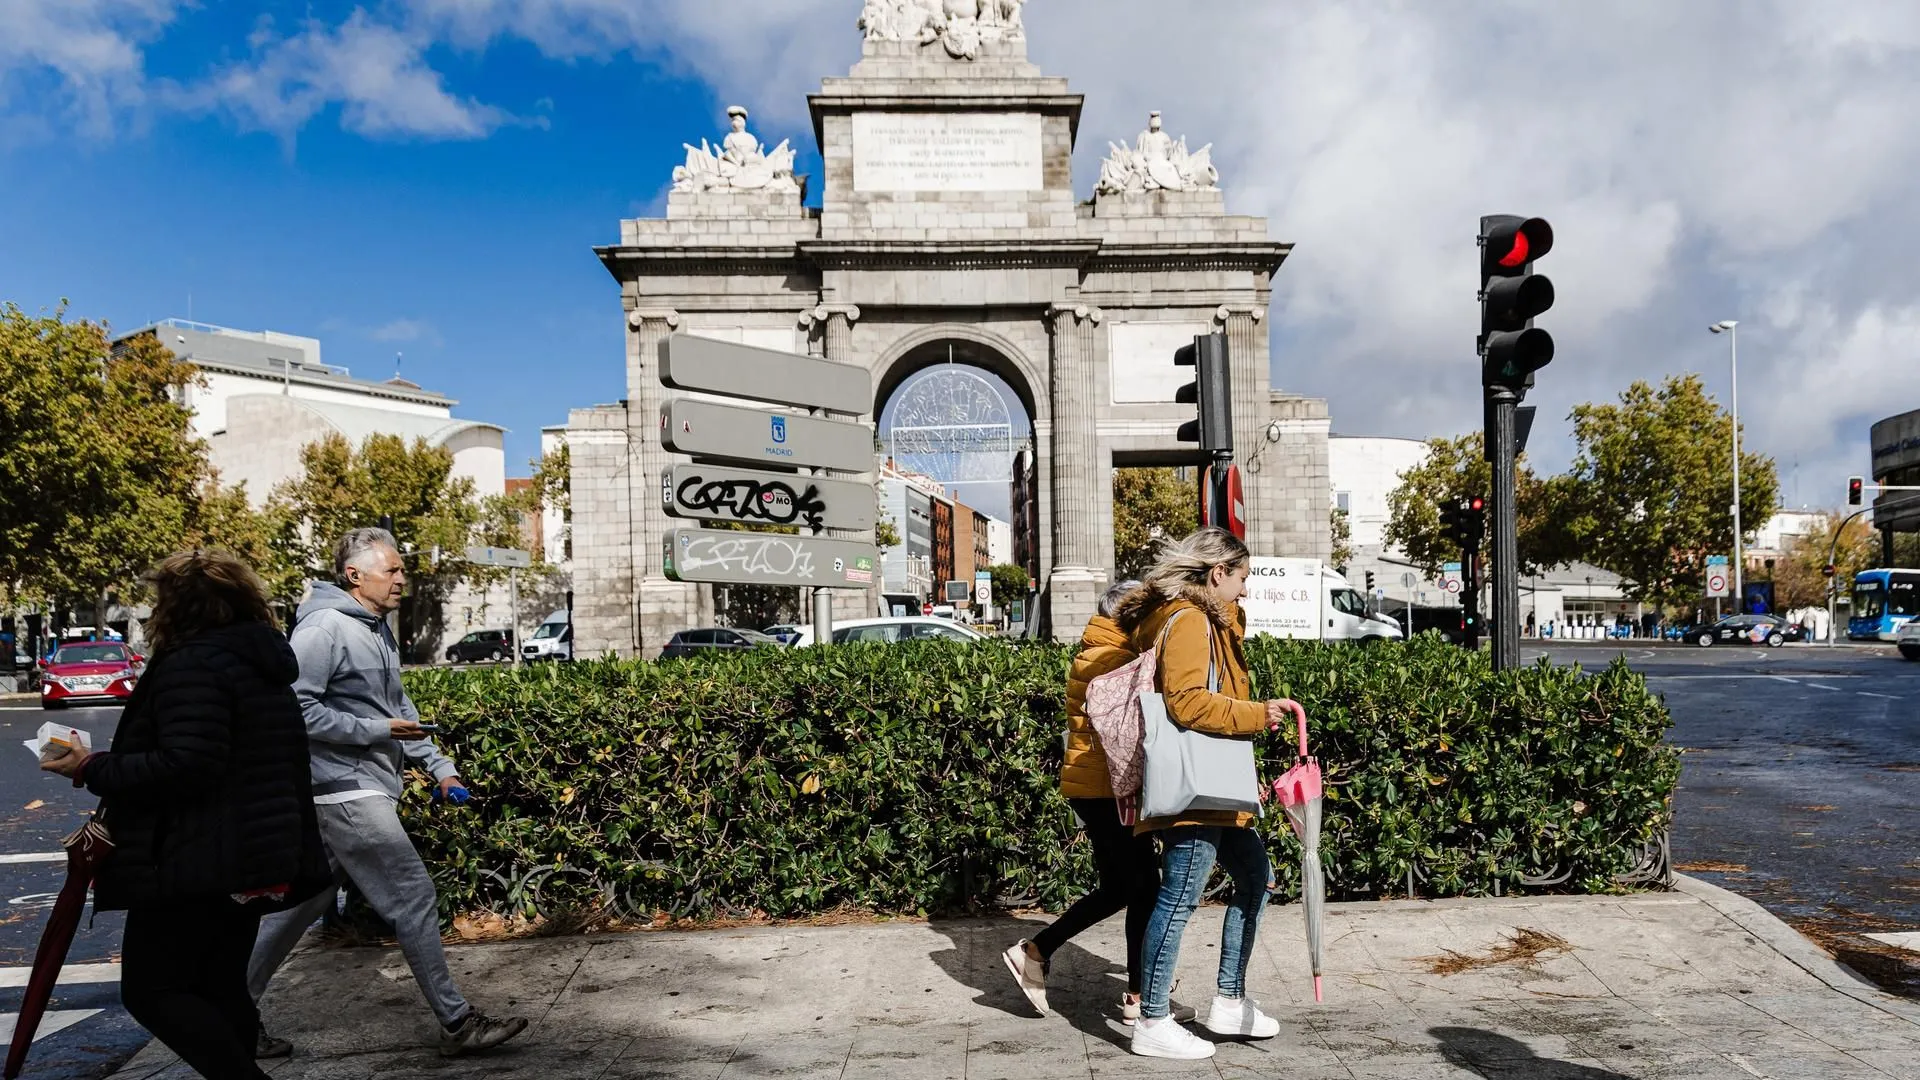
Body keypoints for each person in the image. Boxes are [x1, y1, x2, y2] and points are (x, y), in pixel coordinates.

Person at [41, 549, 329, 1080]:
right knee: (219, 985)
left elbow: (186, 765)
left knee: (152, 991)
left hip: (196, 858)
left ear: (176, 607)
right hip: (258, 852)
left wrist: (92, 767)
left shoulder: (192, 665)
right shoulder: (261, 663)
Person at [246, 528, 527, 1057]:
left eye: (401, 569)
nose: (402, 578)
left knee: (299, 909)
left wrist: (440, 768)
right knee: (413, 896)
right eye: (392, 570)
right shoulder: (323, 628)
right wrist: (374, 733)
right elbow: (295, 710)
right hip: (343, 790)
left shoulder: (375, 627)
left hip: (361, 786)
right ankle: (457, 1023)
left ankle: (228, 1014)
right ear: (355, 576)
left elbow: (397, 711)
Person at [1112, 528, 1303, 1060]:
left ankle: (1228, 1000)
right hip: (1195, 788)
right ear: (1218, 572)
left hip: (1214, 787)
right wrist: (1256, 714)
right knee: (1178, 899)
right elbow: (1188, 703)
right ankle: (1151, 1020)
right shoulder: (1192, 620)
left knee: (1256, 878)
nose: (1245, 590)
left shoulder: (1200, 618)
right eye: (1242, 578)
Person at [1002, 579, 1194, 1026]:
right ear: (1129, 615)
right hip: (1107, 787)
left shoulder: (1099, 648)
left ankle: (1038, 951)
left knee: (1122, 886)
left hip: (1095, 786)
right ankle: (1140, 998)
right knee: (1144, 885)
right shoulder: (1114, 656)